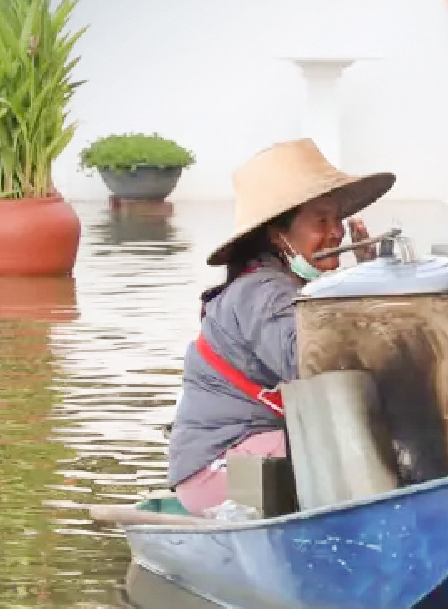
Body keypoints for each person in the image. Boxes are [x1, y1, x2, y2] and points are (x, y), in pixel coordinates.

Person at [167, 139, 392, 516]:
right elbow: (307, 366)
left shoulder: (293, 288)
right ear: (277, 235)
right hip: (219, 468)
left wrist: (368, 280)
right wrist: (367, 286)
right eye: (320, 221)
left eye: (337, 219)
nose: (335, 232)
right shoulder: (263, 291)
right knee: (352, 448)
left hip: (255, 453)